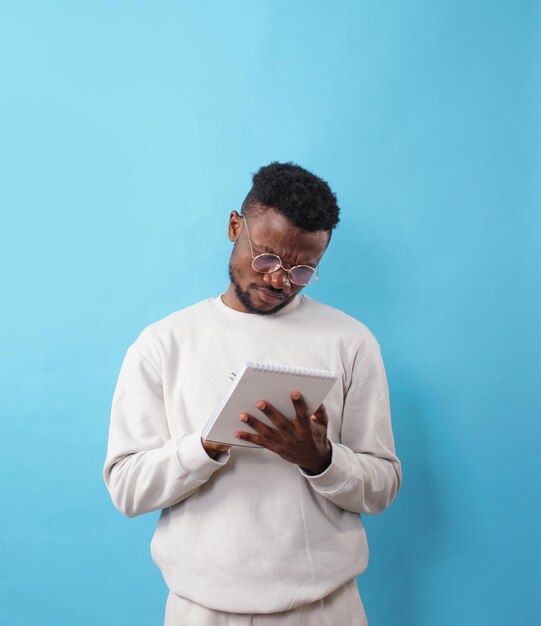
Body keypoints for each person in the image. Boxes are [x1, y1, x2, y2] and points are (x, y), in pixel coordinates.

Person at [103, 162, 402, 625]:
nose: (278, 280)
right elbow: (127, 489)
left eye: (303, 270)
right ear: (234, 226)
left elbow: (382, 487)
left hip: (326, 609)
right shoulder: (162, 343)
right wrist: (207, 446)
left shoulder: (351, 341)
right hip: (201, 610)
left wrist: (320, 460)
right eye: (266, 257)